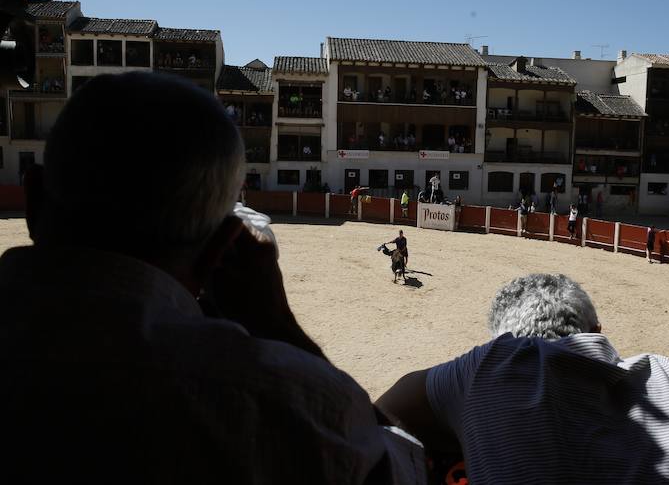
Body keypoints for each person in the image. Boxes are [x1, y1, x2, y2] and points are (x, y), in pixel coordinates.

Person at [0, 72, 424, 483]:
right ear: (221, 247)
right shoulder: (283, 399)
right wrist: (280, 326)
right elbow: (407, 468)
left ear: (33, 198)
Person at [376, 274, 669, 484]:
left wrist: (473, 429)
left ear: (498, 339)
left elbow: (383, 412)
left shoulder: (484, 370)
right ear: (598, 331)